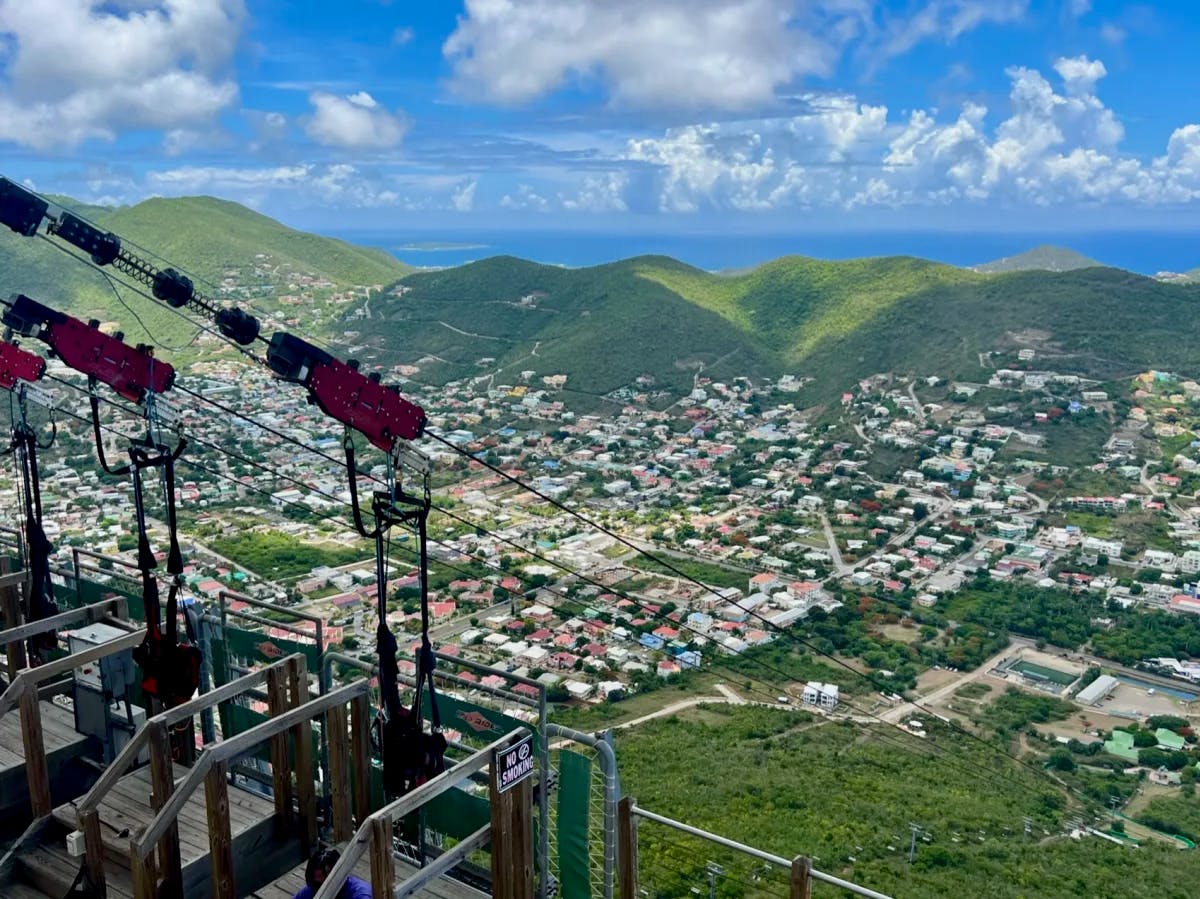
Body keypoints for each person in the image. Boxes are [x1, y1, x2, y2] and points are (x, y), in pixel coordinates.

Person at [292, 846, 373, 899]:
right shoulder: (314, 888)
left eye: (324, 882)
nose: (320, 888)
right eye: (316, 883)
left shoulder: (360, 893)